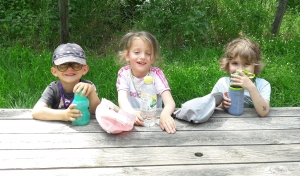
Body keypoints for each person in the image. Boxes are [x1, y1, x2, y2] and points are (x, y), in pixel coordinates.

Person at [116, 31, 176, 134]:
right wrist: (132, 113)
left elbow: (170, 102)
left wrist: (165, 114)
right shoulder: (124, 73)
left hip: (154, 123)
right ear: (127, 55)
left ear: (152, 58)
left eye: (148, 53)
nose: (143, 56)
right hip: (133, 123)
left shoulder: (156, 74)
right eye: (137, 52)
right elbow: (122, 100)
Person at [32, 43, 101, 121]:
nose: (70, 69)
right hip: (58, 130)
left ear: (84, 69)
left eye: (76, 65)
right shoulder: (53, 89)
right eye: (63, 65)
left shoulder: (88, 87)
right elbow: (36, 111)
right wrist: (64, 115)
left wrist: (91, 92)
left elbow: (97, 111)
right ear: (54, 71)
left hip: (87, 129)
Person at [211, 37, 271, 117]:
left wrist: (251, 88)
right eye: (235, 63)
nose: (240, 70)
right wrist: (222, 105)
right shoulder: (223, 83)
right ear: (228, 64)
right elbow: (210, 106)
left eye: (246, 64)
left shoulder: (263, 85)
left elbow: (264, 111)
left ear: (255, 66)